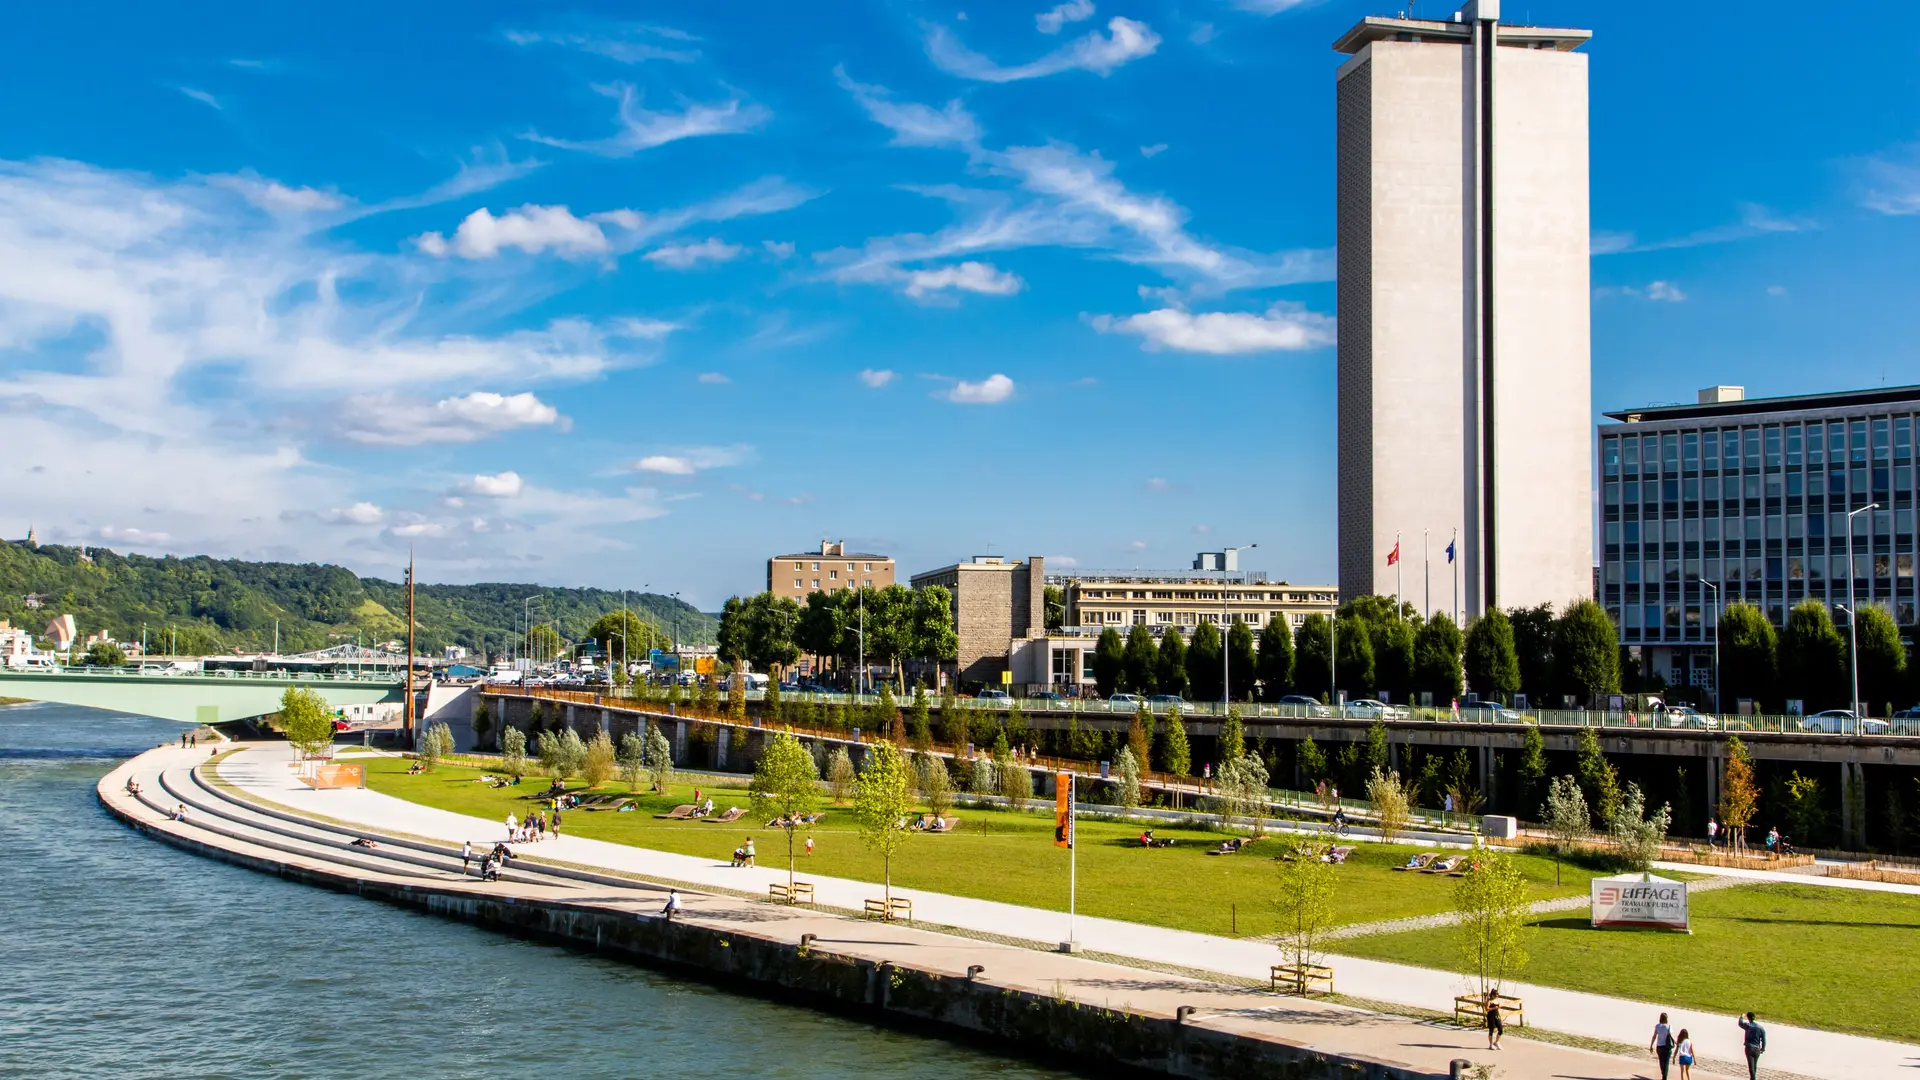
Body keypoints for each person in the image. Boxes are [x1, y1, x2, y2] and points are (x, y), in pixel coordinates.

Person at [1738, 1012, 1766, 1080]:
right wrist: (1763, 1048)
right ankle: (1752, 1078)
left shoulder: (1748, 1025)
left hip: (1749, 1048)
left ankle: (1753, 1079)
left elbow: (1740, 1023)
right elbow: (1764, 1040)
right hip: (1757, 1049)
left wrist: (1741, 1016)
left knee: (1751, 1067)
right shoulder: (1761, 1028)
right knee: (1754, 1066)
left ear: (1748, 1017)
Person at [1650, 1012, 1675, 1080]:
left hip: (1660, 1046)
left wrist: (1651, 1045)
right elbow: (1672, 1037)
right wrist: (1676, 1042)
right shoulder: (1669, 1027)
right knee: (1666, 1062)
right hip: (1667, 1047)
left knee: (1661, 1061)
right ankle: (1665, 1076)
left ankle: (1663, 1073)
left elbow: (1654, 1036)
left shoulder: (1658, 1026)